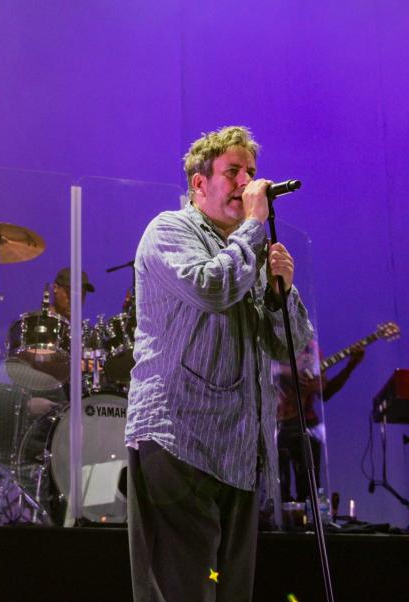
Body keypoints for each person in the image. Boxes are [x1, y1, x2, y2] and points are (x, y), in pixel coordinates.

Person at [125, 126, 313, 601]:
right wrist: (252, 227)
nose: (248, 182)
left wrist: (280, 294)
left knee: (232, 594)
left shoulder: (245, 251)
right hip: (179, 436)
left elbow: (289, 345)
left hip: (240, 451)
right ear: (199, 183)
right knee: (183, 591)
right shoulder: (169, 230)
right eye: (233, 172)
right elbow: (210, 288)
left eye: (250, 172)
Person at [276, 339, 364, 504]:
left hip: (306, 423)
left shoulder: (311, 348)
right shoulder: (272, 340)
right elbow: (263, 368)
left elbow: (327, 393)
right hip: (276, 424)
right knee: (278, 488)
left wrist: (350, 366)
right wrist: (290, 372)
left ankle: (309, 524)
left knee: (310, 488)